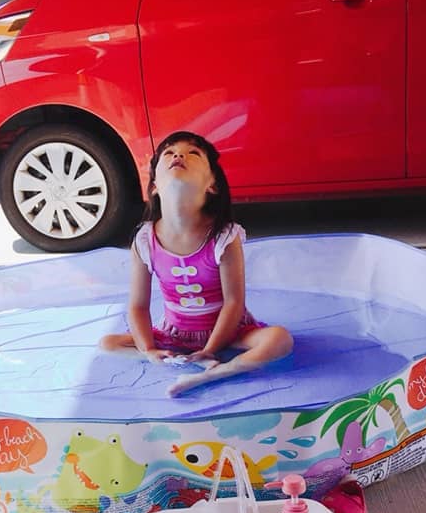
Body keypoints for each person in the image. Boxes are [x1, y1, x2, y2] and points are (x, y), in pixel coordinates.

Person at [99, 131, 293, 396]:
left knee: (280, 339)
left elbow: (234, 303)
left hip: (230, 332)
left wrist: (210, 349)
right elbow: (138, 306)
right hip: (175, 335)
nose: (178, 155)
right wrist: (149, 349)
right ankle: (171, 360)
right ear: (154, 186)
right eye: (169, 153)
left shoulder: (224, 237)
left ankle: (215, 372)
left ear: (212, 185)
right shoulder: (144, 240)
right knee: (108, 343)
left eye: (193, 153)